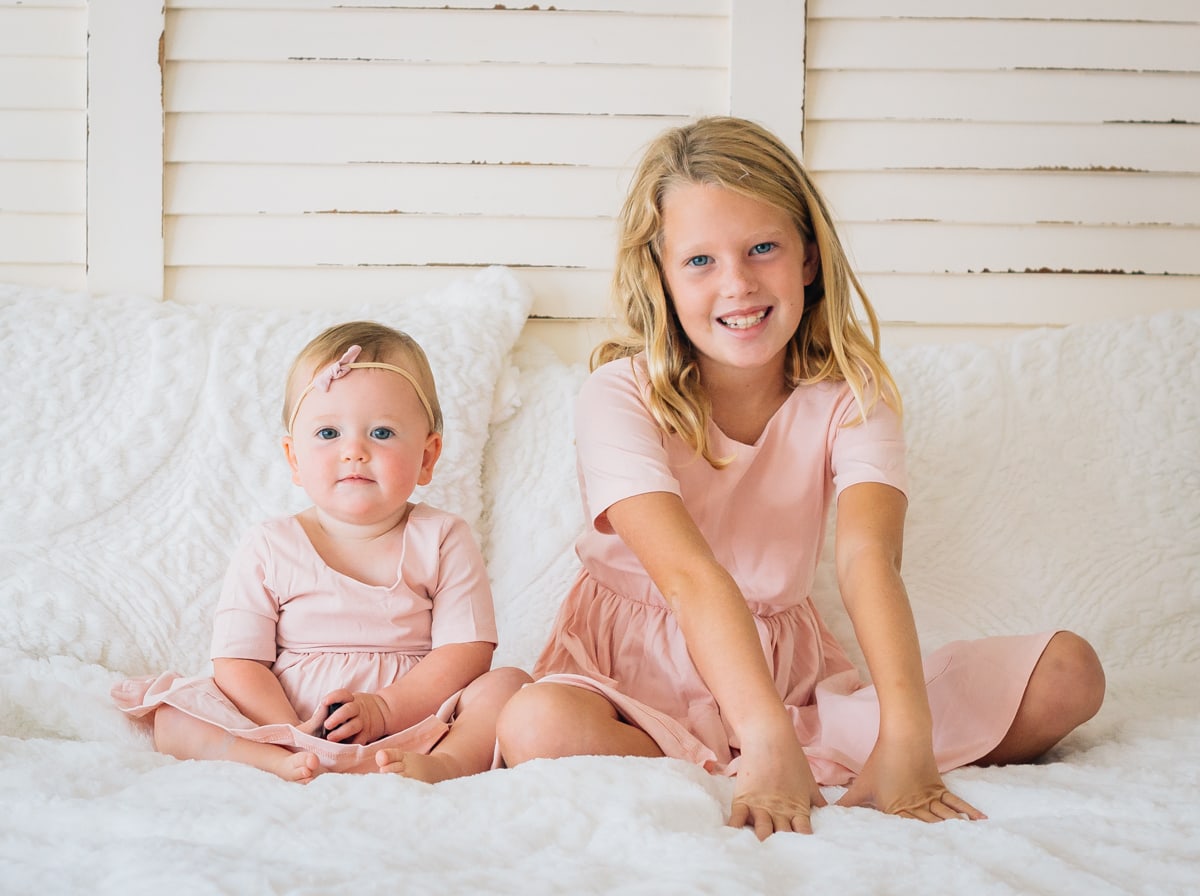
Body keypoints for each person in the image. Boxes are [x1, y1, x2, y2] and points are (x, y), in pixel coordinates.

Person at [496, 116, 1105, 838]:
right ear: (660, 275)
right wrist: (764, 737)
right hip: (629, 683)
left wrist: (906, 738)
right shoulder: (619, 395)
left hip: (791, 688)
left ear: (809, 259)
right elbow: (688, 578)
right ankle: (754, 755)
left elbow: (868, 558)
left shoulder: (853, 396)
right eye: (700, 261)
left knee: (1070, 673)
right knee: (536, 724)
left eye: (763, 248)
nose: (738, 284)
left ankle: (792, 750)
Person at [113, 321, 530, 783]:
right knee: (175, 713)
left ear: (428, 457)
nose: (354, 451)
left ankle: (446, 764)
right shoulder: (270, 544)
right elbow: (238, 660)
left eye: (382, 433)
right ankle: (276, 762)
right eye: (329, 433)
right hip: (289, 724)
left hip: (413, 726)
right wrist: (290, 730)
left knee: (509, 688)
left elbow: (466, 652)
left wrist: (385, 709)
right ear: (294, 458)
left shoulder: (442, 537)